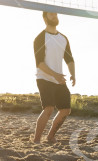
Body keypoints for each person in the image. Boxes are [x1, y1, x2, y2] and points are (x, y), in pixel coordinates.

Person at [32, 12, 76, 144]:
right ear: (45, 18)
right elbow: (39, 63)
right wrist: (55, 75)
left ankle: (50, 136)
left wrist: (73, 74)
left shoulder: (63, 38)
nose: (54, 16)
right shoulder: (40, 38)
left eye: (55, 14)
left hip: (59, 80)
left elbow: (69, 59)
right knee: (49, 108)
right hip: (44, 77)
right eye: (51, 14)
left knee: (66, 110)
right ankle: (36, 140)